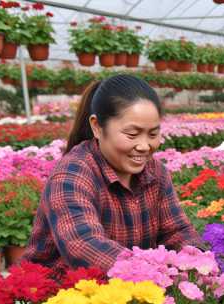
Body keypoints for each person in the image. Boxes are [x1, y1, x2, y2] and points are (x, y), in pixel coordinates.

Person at [22, 74, 203, 274]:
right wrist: (152, 274)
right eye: (132, 134)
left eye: (153, 134)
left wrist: (199, 262)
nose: (144, 146)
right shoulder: (71, 175)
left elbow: (177, 231)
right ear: (97, 127)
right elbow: (83, 244)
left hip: (135, 286)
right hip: (59, 289)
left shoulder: (156, 172)